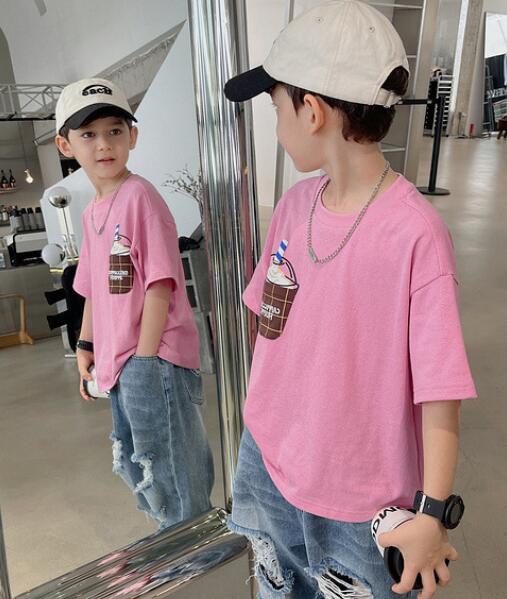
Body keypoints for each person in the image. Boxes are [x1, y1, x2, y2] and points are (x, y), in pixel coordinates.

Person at [223, 2, 477, 598]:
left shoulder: (415, 234)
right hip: (269, 463)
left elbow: (440, 389)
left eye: (276, 109)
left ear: (311, 111)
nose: (277, 127)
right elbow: (269, 321)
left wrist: (432, 511)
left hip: (363, 498)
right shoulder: (293, 207)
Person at [54, 78, 214, 528]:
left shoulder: (139, 196)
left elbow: (160, 284)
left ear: (132, 136)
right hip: (121, 361)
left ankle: (193, 554)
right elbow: (93, 288)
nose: (104, 144)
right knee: (144, 467)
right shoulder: (92, 211)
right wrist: (86, 345)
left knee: (176, 474)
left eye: (114, 131)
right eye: (88, 135)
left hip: (153, 359)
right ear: (65, 145)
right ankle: (173, 544)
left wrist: (144, 361)